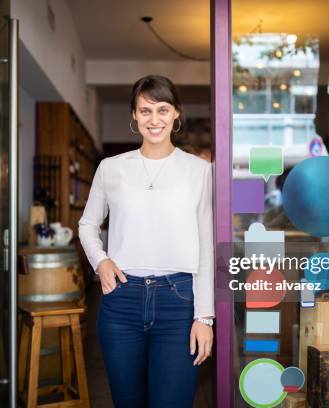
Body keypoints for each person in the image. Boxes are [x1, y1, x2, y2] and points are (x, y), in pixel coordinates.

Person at [78, 75, 215, 407]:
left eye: (163, 110)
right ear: (135, 116)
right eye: (145, 111)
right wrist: (102, 260)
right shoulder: (111, 168)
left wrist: (204, 317)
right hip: (122, 301)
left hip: (179, 302)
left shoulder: (199, 171)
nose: (155, 120)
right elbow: (87, 224)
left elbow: (207, 246)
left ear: (176, 114)